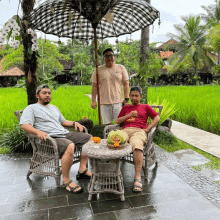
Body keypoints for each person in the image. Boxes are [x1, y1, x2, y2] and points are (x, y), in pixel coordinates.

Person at [20, 84, 93, 194]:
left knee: (89, 138)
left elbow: (63, 122)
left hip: (64, 133)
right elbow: (24, 125)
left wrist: (74, 123)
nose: (47, 95)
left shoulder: (54, 108)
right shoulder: (31, 108)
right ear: (37, 95)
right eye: (44, 93)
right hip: (49, 139)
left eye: (49, 93)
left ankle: (82, 169)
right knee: (70, 145)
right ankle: (66, 180)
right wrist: (38, 132)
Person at [116, 86, 160, 192]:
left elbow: (157, 118)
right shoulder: (125, 108)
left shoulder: (145, 107)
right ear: (129, 96)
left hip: (139, 131)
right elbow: (118, 121)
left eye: (136, 96)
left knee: (136, 144)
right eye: (132, 96)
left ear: (141, 96)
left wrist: (148, 129)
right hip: (125, 130)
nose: (134, 98)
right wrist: (129, 115)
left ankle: (137, 177)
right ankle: (113, 173)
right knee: (115, 141)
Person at [91, 48, 130, 125]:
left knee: (120, 124)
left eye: (111, 56)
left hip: (118, 102)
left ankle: (120, 137)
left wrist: (126, 98)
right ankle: (110, 137)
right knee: (108, 125)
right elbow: (94, 86)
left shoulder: (121, 68)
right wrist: (93, 101)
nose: (109, 58)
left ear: (114, 57)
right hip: (104, 102)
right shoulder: (98, 70)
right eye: (106, 56)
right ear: (103, 59)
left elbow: (126, 84)